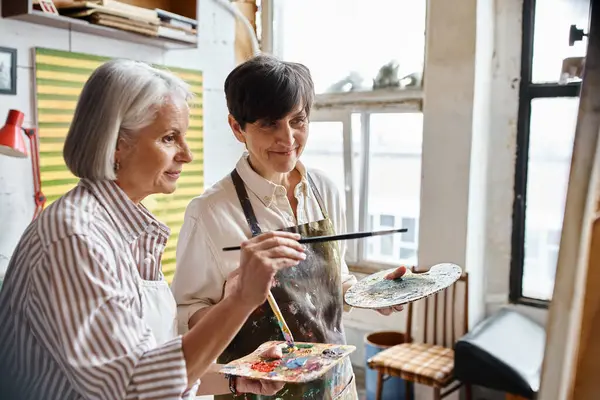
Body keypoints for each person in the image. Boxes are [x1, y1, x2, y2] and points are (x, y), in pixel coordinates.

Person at [0, 59, 307, 400]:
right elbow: (133, 389)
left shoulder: (124, 228)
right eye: (168, 138)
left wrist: (236, 377)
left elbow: (154, 366)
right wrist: (239, 300)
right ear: (116, 143)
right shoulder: (75, 239)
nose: (187, 155)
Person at [171, 54, 407, 400]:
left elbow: (336, 284)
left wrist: (375, 294)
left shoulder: (324, 189)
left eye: (298, 120)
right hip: (257, 389)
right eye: (269, 124)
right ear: (238, 128)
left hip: (335, 386)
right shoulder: (208, 212)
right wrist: (238, 302)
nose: (288, 138)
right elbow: (185, 313)